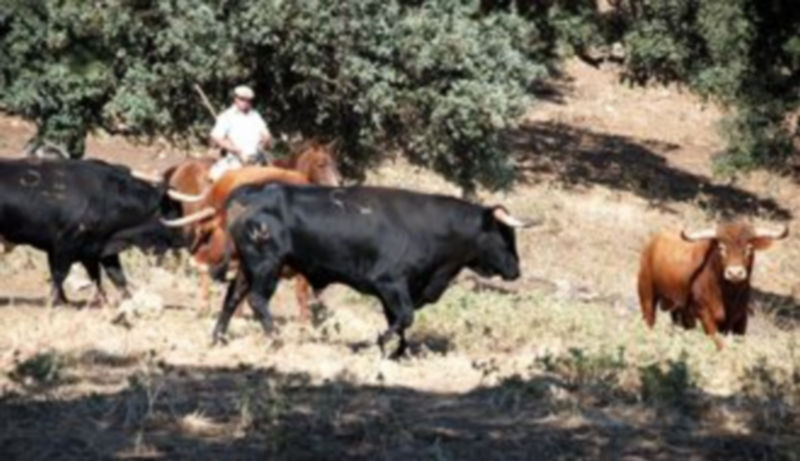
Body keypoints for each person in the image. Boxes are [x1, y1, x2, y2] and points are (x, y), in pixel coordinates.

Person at [208, 85, 273, 180]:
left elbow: (265, 133)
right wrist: (235, 149)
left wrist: (266, 139)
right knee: (215, 177)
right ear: (235, 99)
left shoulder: (255, 115)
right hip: (235, 159)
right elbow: (217, 137)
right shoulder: (227, 116)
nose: (245, 102)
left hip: (257, 158)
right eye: (242, 99)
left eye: (248, 100)